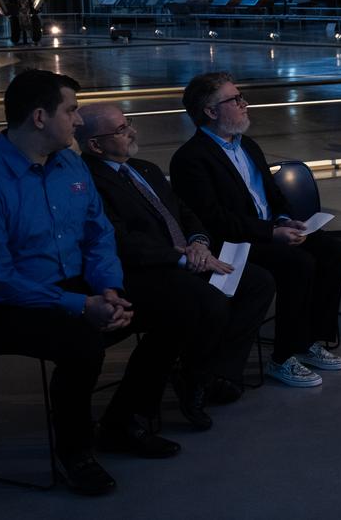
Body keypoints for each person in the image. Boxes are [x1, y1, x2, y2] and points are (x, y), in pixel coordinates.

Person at [0, 70, 180, 497]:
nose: (77, 120)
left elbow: (98, 234)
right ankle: (75, 453)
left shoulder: (70, 165)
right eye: (70, 111)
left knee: (175, 308)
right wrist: (81, 305)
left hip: (71, 287)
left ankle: (122, 421)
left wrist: (110, 289)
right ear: (39, 117)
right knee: (81, 342)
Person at [76, 103, 276, 427]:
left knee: (257, 282)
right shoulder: (89, 182)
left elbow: (184, 213)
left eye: (130, 123)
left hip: (186, 256)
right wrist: (182, 257)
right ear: (95, 145)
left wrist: (198, 242)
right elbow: (120, 241)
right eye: (121, 129)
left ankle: (216, 374)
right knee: (208, 302)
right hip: (146, 269)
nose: (132, 132)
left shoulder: (145, 169)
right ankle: (194, 377)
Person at [170, 72, 341, 388]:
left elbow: (271, 194)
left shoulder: (247, 145)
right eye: (235, 100)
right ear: (211, 112)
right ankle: (283, 357)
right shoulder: (190, 159)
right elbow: (213, 219)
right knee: (299, 265)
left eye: (241, 97)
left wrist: (283, 220)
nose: (244, 104)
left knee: (334, 252)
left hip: (270, 231)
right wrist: (270, 233)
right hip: (236, 243)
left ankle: (309, 340)